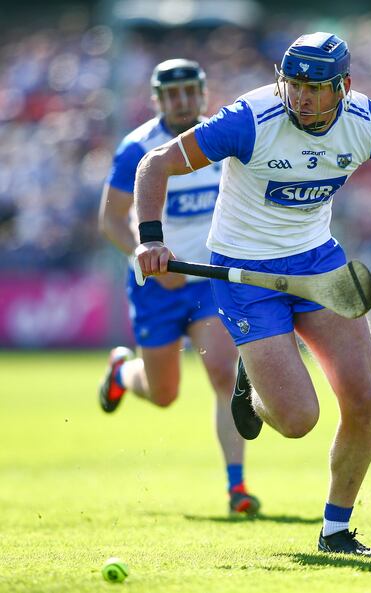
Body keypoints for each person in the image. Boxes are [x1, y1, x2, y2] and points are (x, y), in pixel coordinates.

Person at [132, 33, 371, 555]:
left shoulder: (366, 121)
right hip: (246, 275)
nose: (302, 98)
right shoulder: (250, 120)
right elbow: (155, 164)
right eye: (294, 85)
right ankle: (256, 387)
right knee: (298, 420)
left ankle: (337, 531)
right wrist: (151, 240)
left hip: (318, 262)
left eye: (315, 88)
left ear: (344, 87)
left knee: (363, 397)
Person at [97, 59, 261, 516]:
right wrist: (145, 255)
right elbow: (110, 219)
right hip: (155, 285)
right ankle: (122, 374)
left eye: (191, 91)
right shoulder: (137, 148)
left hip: (206, 281)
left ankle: (237, 487)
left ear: (203, 93)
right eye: (172, 94)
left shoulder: (219, 139)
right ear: (157, 99)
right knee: (163, 393)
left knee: (225, 376)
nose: (183, 100)